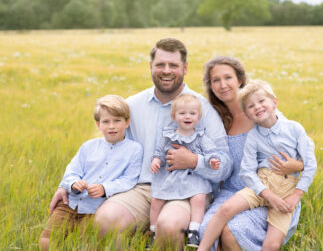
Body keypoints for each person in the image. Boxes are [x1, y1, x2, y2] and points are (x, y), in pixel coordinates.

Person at [47, 38, 232, 250]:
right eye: (160, 64)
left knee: (169, 226)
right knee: (105, 220)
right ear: (150, 67)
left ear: (185, 68)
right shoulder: (132, 105)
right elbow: (104, 147)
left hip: (185, 189)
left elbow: (224, 164)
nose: (166, 70)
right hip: (140, 188)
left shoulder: (202, 108)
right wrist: (66, 184)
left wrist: (194, 161)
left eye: (173, 65)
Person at [199, 56, 305, 250]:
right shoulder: (215, 119)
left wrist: (297, 165)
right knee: (207, 229)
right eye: (216, 80)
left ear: (240, 80)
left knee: (233, 231)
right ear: (211, 86)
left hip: (269, 192)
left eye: (228, 77)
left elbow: (301, 154)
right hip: (231, 192)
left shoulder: (259, 111)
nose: (223, 85)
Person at [39, 95, 143, 250]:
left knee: (86, 245)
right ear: (98, 124)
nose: (111, 126)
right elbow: (72, 171)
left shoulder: (134, 149)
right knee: (47, 240)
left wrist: (104, 188)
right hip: (70, 203)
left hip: (95, 209)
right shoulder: (88, 147)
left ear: (127, 122)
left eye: (117, 121)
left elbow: (129, 180)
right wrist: (74, 183)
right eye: (106, 121)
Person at [148, 93, 220, 248]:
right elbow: (159, 152)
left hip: (193, 177)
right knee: (156, 200)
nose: (188, 117)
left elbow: (210, 152)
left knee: (199, 198)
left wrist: (212, 160)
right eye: (182, 113)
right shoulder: (168, 136)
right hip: (172, 177)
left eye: (192, 113)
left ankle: (194, 230)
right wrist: (156, 160)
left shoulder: (201, 137)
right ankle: (153, 232)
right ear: (174, 116)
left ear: (198, 117)